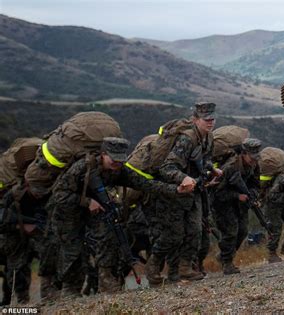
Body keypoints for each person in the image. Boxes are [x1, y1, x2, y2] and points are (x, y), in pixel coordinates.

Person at [50, 137, 183, 298]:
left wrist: (175, 189)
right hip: (68, 210)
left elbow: (145, 184)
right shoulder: (82, 167)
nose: (117, 164)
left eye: (120, 160)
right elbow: (58, 195)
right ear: (103, 154)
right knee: (73, 249)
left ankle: (105, 279)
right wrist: (85, 201)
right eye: (113, 159)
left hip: (96, 209)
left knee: (109, 234)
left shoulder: (119, 169)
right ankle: (69, 289)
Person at [146, 103, 222, 283]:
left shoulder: (208, 138)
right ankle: (154, 266)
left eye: (212, 119)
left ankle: (185, 268)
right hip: (175, 192)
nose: (210, 122)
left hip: (195, 190)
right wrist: (182, 178)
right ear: (195, 120)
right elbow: (167, 167)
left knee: (195, 230)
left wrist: (212, 169)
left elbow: (205, 159)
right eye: (206, 119)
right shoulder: (186, 139)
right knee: (173, 234)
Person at [212, 138, 262, 274]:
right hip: (223, 204)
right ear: (243, 154)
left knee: (243, 231)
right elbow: (217, 193)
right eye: (251, 157)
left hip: (241, 204)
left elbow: (256, 185)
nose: (254, 161)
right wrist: (236, 195)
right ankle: (227, 262)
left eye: (256, 157)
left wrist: (252, 194)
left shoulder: (254, 165)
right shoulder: (230, 167)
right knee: (231, 232)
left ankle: (223, 256)